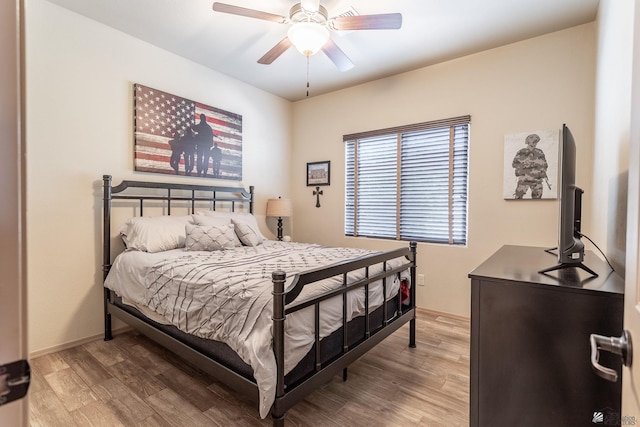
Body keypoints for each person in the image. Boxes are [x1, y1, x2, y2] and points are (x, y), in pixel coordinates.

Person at [511, 133, 549, 199]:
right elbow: (514, 164)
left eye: (536, 142)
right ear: (528, 142)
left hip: (537, 180)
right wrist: (524, 164)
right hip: (524, 179)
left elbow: (545, 165)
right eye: (534, 142)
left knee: (537, 199)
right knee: (517, 198)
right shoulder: (521, 152)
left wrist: (541, 171)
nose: (535, 143)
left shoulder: (539, 152)